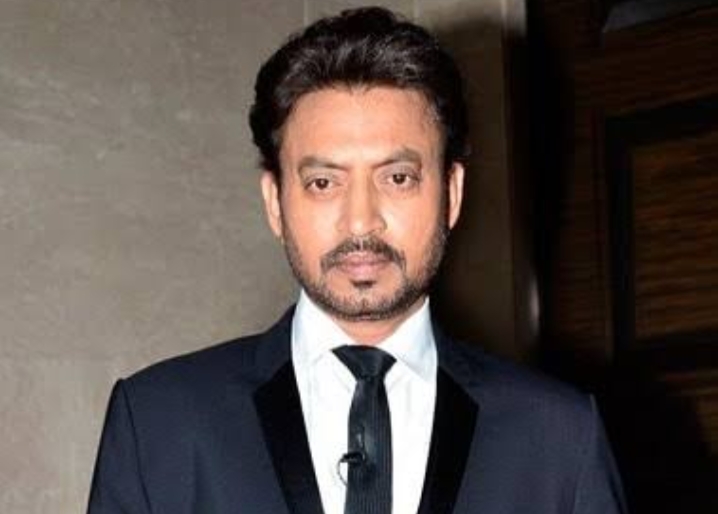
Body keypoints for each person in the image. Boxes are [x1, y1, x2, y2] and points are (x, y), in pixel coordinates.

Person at [87, 7, 627, 514]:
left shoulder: (560, 439)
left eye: (398, 178)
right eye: (323, 183)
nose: (361, 222)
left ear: (451, 193)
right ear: (275, 202)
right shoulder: (157, 423)